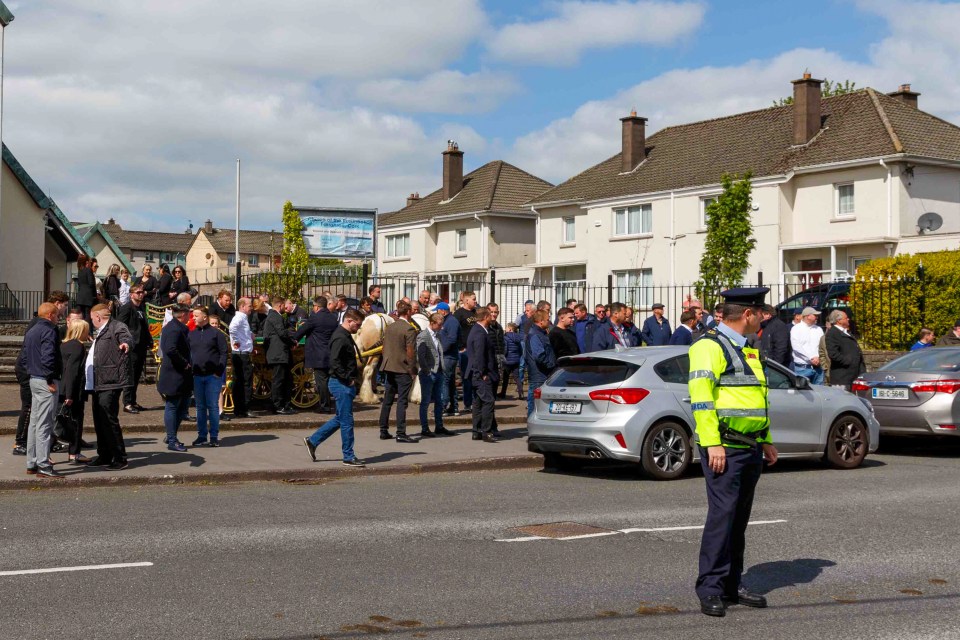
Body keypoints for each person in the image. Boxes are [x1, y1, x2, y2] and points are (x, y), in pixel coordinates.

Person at [688, 287, 777, 618]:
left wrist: (766, 439)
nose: (763, 318)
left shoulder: (747, 347)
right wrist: (713, 443)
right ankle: (710, 587)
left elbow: (756, 399)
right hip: (724, 446)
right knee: (722, 518)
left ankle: (731, 584)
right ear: (749, 315)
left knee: (738, 520)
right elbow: (701, 397)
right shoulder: (709, 345)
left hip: (750, 446)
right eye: (760, 313)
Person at [303, 309, 366, 467]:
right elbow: (335, 362)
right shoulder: (340, 337)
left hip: (341, 382)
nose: (358, 328)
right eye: (357, 325)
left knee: (340, 419)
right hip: (341, 383)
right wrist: (347, 379)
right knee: (347, 422)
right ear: (349, 321)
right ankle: (348, 456)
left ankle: (313, 441)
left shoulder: (343, 335)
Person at [12, 292, 70, 457]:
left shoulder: (42, 324)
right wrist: (47, 377)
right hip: (32, 371)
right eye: (64, 306)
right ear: (57, 304)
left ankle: (47, 442)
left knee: (40, 414)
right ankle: (20, 443)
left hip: (34, 370)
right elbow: (40, 353)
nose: (64, 311)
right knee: (31, 408)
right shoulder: (42, 325)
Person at [87, 304, 133, 470]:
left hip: (111, 381)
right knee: (99, 420)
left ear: (98, 317)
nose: (92, 322)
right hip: (98, 382)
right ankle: (104, 454)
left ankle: (120, 458)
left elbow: (126, 337)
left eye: (92, 319)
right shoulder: (100, 332)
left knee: (109, 419)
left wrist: (126, 344)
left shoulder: (117, 326)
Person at [22, 303, 65, 478]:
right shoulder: (50, 330)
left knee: (35, 422)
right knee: (44, 424)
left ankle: (31, 462)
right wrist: (49, 378)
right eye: (56, 315)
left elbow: (24, 356)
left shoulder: (32, 330)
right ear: (49, 315)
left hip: (34, 378)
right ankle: (43, 465)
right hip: (45, 380)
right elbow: (49, 356)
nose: (58, 318)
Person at [378, 300, 419, 442]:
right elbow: (410, 351)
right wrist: (412, 369)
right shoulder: (409, 329)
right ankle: (401, 433)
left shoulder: (390, 327)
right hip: (402, 368)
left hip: (389, 367)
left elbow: (384, 348)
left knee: (387, 400)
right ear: (408, 312)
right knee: (402, 401)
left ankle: (383, 430)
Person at [189, 306, 228, 447]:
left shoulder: (216, 334)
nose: (193, 318)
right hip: (197, 375)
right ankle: (201, 435)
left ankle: (214, 436)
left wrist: (219, 370)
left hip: (213, 375)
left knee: (212, 406)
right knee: (200, 407)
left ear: (204, 317)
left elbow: (224, 353)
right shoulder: (192, 334)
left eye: (196, 316)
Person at [157, 304, 193, 452]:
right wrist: (184, 363)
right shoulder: (173, 328)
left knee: (183, 406)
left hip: (182, 375)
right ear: (183, 314)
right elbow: (170, 349)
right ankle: (172, 439)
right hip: (174, 374)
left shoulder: (178, 327)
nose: (190, 316)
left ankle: (171, 434)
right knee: (173, 405)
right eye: (189, 313)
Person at [294, 295, 338, 414]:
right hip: (330, 353)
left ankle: (325, 406)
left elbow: (302, 331)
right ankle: (329, 403)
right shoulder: (333, 318)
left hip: (318, 355)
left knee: (321, 382)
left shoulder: (315, 318)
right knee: (328, 380)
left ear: (317, 307)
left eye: (313, 306)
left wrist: (294, 339)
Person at [416, 313, 454, 437]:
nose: (441, 327)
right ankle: (425, 428)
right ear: (432, 323)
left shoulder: (437, 335)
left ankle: (439, 426)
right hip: (429, 373)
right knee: (426, 401)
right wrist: (427, 370)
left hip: (438, 372)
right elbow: (420, 355)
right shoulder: (423, 335)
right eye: (439, 324)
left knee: (439, 400)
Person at [117, 285, 152, 415]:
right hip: (132, 346)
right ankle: (127, 403)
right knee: (129, 375)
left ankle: (133, 400)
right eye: (138, 292)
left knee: (136, 375)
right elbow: (120, 325)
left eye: (142, 292)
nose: (141, 294)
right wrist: (125, 340)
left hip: (141, 345)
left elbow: (144, 326)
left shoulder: (141, 308)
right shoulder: (127, 308)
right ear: (131, 294)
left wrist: (149, 340)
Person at [466, 307, 499, 442]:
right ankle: (486, 431)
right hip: (481, 374)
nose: (492, 316)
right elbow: (479, 355)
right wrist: (483, 372)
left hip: (476, 373)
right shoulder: (479, 332)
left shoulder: (478, 330)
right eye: (490, 314)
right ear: (485, 316)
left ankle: (477, 431)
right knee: (488, 401)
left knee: (478, 402)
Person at [60, 318, 91, 464]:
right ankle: (74, 453)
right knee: (76, 422)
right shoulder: (78, 347)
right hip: (73, 390)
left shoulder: (64, 345)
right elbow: (72, 371)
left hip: (63, 387)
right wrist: (70, 394)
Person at [263, 296, 297, 414]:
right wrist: (292, 342)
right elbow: (282, 333)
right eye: (283, 305)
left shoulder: (274, 316)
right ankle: (277, 405)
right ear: (280, 305)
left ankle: (285, 404)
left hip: (280, 354)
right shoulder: (275, 316)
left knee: (286, 379)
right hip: (278, 354)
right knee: (278, 380)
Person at [524, 310, 556, 415]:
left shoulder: (541, 333)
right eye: (547, 319)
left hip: (542, 374)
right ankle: (531, 428)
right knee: (535, 406)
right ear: (541, 321)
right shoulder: (535, 335)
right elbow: (539, 355)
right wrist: (551, 365)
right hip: (539, 375)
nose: (549, 321)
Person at [228, 297, 256, 418]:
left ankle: (239, 409)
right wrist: (237, 341)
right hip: (241, 354)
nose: (251, 308)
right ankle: (244, 408)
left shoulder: (242, 318)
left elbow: (239, 331)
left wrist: (249, 336)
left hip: (241, 353)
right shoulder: (239, 317)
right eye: (249, 306)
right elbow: (232, 328)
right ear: (242, 306)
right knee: (245, 382)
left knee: (239, 381)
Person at [825, 310, 865, 390]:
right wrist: (849, 361)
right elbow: (833, 354)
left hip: (853, 375)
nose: (848, 319)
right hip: (842, 377)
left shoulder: (846, 332)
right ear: (839, 320)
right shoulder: (833, 333)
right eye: (846, 318)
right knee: (842, 401)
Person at [455, 291, 479, 411]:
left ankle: (476, 402)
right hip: (465, 350)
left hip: (476, 350)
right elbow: (455, 331)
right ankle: (467, 403)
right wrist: (460, 347)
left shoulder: (476, 312)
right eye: (473, 299)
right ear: (466, 300)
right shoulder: (459, 314)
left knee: (476, 376)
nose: (475, 301)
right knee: (466, 377)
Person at [437, 302, 461, 416]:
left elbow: (452, 339)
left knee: (444, 381)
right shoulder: (447, 321)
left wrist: (442, 350)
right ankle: (454, 406)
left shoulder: (451, 322)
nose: (436, 313)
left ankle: (443, 406)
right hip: (448, 356)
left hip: (448, 356)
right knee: (450, 382)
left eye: (438, 311)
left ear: (443, 311)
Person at [791, 307, 825, 384]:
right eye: (815, 315)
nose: (817, 317)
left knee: (819, 393)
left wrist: (818, 358)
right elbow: (796, 347)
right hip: (802, 369)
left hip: (818, 368)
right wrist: (811, 358)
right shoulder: (796, 329)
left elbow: (822, 346)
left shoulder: (818, 329)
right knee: (803, 394)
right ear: (807, 316)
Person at [500, 323, 523, 399]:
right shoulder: (518, 338)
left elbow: (505, 349)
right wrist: (518, 357)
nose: (505, 329)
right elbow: (520, 350)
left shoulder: (505, 337)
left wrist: (503, 357)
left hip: (507, 360)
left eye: (506, 328)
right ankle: (521, 393)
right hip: (516, 360)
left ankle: (503, 393)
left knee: (505, 378)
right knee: (517, 377)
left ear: (510, 329)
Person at [76, 255, 98, 324]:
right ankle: (88, 332)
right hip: (88, 296)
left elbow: (79, 284)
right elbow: (91, 283)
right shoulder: (88, 270)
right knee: (88, 315)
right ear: (86, 262)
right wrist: (94, 295)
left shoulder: (80, 271)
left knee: (81, 316)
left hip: (80, 296)